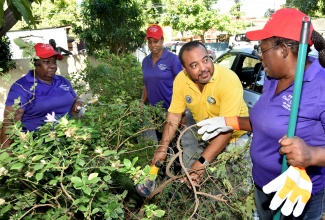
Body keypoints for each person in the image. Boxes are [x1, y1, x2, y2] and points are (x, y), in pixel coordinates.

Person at [197, 8, 325, 219]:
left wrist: (312, 155)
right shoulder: (272, 77)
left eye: (261, 50)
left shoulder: (320, 84)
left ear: (283, 50)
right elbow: (265, 122)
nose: (259, 57)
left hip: (298, 192)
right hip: (263, 184)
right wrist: (229, 121)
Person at [152, 41, 249, 186]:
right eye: (194, 65)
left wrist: (201, 162)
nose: (203, 68)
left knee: (237, 187)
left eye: (206, 60)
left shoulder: (228, 80)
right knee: (209, 185)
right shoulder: (181, 80)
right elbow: (174, 115)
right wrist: (163, 147)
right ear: (185, 69)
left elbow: (227, 129)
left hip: (236, 140)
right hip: (208, 137)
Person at [0, 43, 83, 149]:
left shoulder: (62, 81)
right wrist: (6, 156)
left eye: (54, 62)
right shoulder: (22, 87)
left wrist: (79, 101)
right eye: (46, 62)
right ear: (35, 64)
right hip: (37, 147)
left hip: (70, 140)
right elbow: (9, 124)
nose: (53, 66)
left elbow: (75, 97)